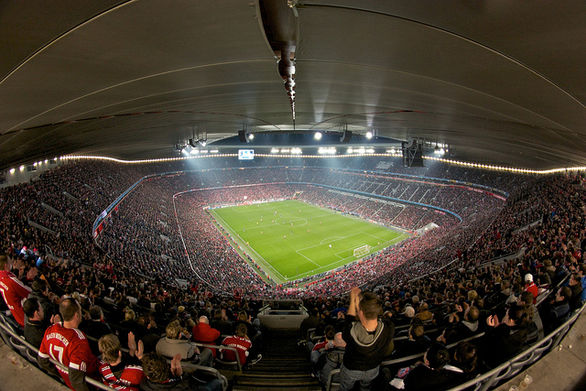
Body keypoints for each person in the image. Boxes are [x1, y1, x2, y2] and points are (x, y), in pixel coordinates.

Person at [339, 287, 394, 391]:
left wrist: (353, 301)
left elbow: (349, 321)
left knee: (345, 388)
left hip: (351, 370)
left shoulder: (351, 332)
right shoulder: (389, 327)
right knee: (366, 387)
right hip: (373, 368)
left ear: (361, 312)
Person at [38, 298, 97, 391]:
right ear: (77, 315)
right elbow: (76, 380)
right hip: (89, 383)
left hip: (66, 380)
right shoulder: (78, 341)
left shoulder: (50, 330)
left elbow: (42, 360)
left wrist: (60, 373)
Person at [140, 352, 222, 391]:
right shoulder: (182, 386)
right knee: (218, 382)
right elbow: (191, 386)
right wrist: (181, 375)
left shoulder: (143, 385)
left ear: (147, 376)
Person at [0, 254, 31, 327]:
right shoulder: (10, 280)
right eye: (10, 262)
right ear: (6, 265)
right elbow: (29, 292)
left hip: (11, 313)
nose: (12, 263)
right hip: (22, 318)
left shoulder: (3, 277)